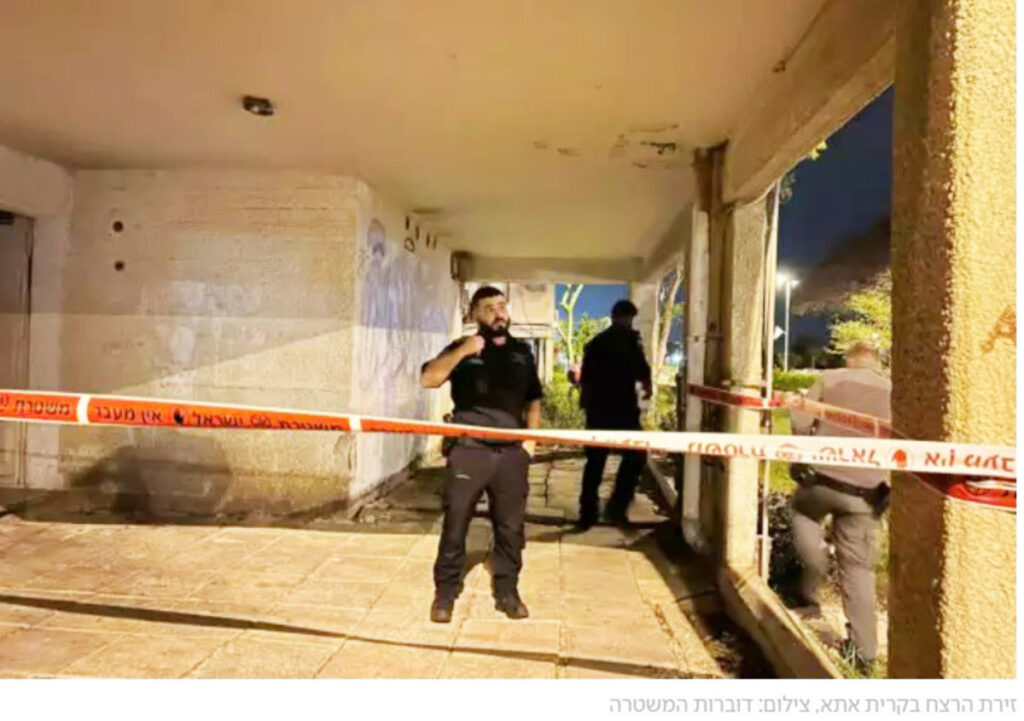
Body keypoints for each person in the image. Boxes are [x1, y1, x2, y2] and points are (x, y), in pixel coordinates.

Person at [420, 286, 543, 623]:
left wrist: (529, 445)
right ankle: (445, 593)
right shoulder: (461, 347)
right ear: (475, 314)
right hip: (469, 450)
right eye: (489, 307)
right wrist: (464, 350)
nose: (498, 312)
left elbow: (533, 399)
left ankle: (507, 592)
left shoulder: (522, 353)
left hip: (511, 454)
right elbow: (429, 379)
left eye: (502, 306)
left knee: (511, 528)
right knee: (456, 522)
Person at [789, 340, 892, 672]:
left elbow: (800, 417)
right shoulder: (893, 389)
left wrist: (802, 450)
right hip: (867, 491)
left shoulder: (829, 379)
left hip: (822, 480)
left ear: (850, 360)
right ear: (876, 361)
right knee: (860, 570)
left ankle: (810, 582)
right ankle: (864, 654)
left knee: (802, 512)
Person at [576, 299, 652, 530]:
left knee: (595, 462)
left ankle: (588, 512)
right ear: (627, 317)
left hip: (599, 410)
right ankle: (616, 506)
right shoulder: (629, 341)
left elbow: (586, 379)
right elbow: (642, 370)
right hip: (622, 410)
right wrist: (647, 386)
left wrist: (586, 404)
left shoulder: (597, 342)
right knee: (635, 456)